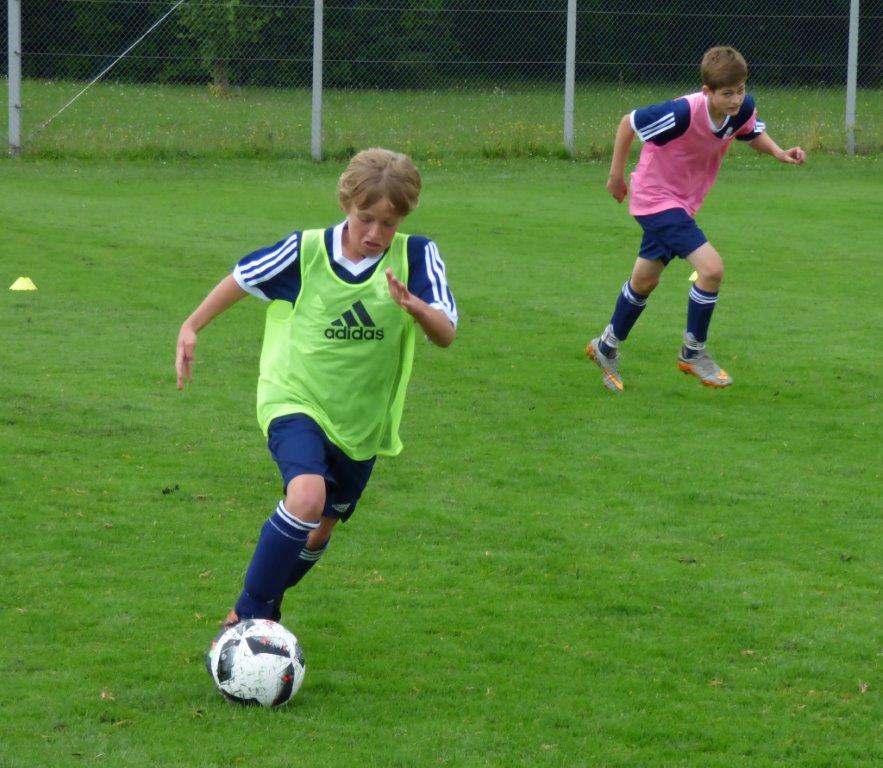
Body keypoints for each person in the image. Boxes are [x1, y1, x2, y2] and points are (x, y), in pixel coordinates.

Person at [175, 148, 458, 636]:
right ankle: (245, 616)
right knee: (307, 497)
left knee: (317, 531)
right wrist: (192, 325)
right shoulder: (305, 251)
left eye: (388, 224)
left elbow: (446, 333)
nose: (375, 233)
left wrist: (416, 308)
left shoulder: (416, 256)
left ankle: (268, 602)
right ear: (346, 204)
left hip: (360, 423)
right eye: (365, 218)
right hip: (294, 398)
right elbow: (242, 278)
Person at [586, 46, 806, 392]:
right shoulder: (682, 114)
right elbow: (628, 123)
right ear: (708, 92)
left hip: (683, 203)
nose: (736, 99)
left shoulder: (741, 110)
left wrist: (779, 152)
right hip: (655, 199)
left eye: (741, 90)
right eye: (727, 93)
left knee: (645, 281)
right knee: (711, 269)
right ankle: (693, 353)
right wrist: (616, 176)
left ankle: (606, 345)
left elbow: (749, 131)